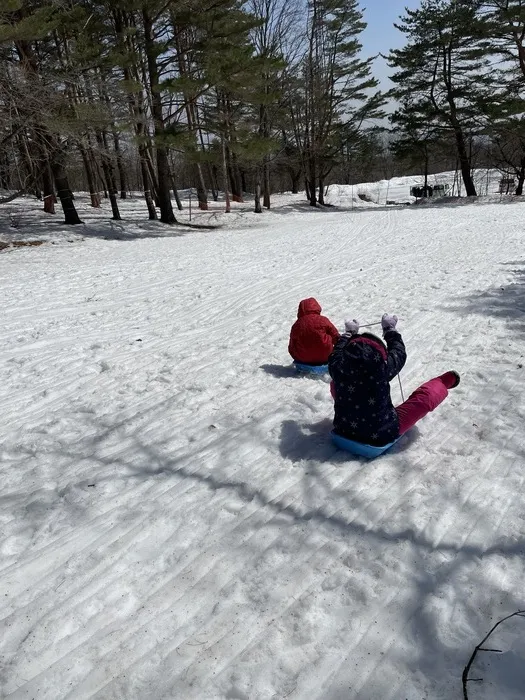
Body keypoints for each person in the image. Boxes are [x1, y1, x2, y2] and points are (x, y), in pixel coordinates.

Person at [328, 314, 460, 446]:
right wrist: (389, 330)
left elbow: (336, 352)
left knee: (337, 383)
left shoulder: (337, 366)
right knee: (421, 402)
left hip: (343, 429)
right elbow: (399, 353)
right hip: (382, 432)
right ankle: (443, 382)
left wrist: (348, 334)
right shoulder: (381, 368)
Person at [288, 298, 340, 366]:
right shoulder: (323, 320)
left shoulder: (297, 324)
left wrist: (294, 355)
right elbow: (335, 335)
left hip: (303, 357)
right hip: (325, 356)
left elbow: (292, 343)